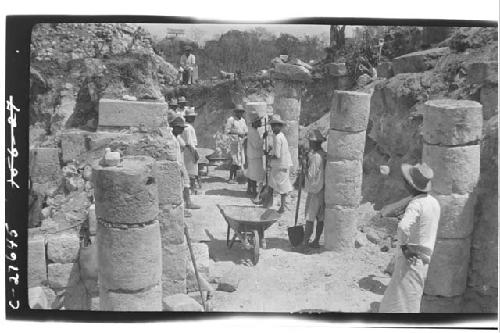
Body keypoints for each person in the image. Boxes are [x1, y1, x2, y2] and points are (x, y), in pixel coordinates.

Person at [379, 162, 441, 313]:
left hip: (410, 259)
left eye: (406, 181)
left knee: (398, 304)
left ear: (411, 185)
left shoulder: (416, 204)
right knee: (410, 299)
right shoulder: (434, 203)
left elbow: (403, 226)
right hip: (424, 259)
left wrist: (405, 248)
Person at [169, 116, 201, 214]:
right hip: (177, 164)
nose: (183, 130)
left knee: (185, 183)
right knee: (181, 184)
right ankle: (184, 206)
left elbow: (184, 144)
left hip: (181, 162)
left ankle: (186, 204)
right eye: (181, 128)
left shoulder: (177, 136)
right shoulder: (172, 138)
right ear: (175, 127)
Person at [303, 130, 326, 248]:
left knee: (310, 217)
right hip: (322, 190)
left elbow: (311, 176)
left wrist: (305, 165)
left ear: (314, 143)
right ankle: (316, 241)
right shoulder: (324, 154)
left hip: (315, 190)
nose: (309, 144)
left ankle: (305, 242)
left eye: (310, 142)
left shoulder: (316, 157)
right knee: (320, 217)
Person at [267, 114, 293, 214]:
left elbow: (277, 155)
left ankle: (273, 205)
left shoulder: (278, 137)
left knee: (278, 186)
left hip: (280, 165)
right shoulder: (281, 136)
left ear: (280, 126)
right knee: (278, 185)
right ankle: (275, 205)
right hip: (284, 164)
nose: (273, 127)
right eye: (272, 125)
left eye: (275, 125)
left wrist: (269, 157)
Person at [225, 104, 248, 184]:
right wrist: (238, 133)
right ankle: (231, 178)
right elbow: (227, 131)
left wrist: (246, 134)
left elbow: (245, 130)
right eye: (238, 112)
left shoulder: (243, 120)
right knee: (235, 160)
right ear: (235, 112)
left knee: (240, 160)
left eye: (241, 112)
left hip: (241, 143)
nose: (240, 113)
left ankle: (237, 177)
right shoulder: (231, 120)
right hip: (234, 143)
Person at [245, 111, 266, 197]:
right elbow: (256, 145)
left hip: (253, 155)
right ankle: (253, 191)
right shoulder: (252, 132)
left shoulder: (253, 131)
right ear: (254, 123)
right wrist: (263, 138)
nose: (260, 123)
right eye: (259, 121)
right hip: (254, 156)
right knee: (254, 174)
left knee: (251, 173)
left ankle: (249, 190)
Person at [182, 107, 199, 194]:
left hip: (186, 151)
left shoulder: (186, 126)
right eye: (191, 117)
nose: (193, 118)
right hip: (190, 150)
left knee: (188, 170)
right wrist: (194, 153)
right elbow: (189, 142)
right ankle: (192, 189)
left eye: (193, 116)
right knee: (192, 171)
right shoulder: (188, 128)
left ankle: (191, 189)